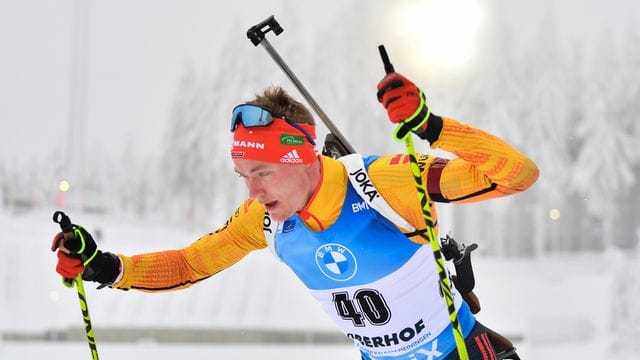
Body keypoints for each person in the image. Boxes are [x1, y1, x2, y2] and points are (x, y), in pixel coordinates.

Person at [51, 72, 539, 360]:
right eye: (243, 175)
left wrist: (433, 127)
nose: (253, 191)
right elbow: (190, 263)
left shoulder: (381, 184)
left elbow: (516, 175)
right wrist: (107, 266)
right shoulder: (264, 220)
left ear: (301, 157)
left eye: (262, 173)